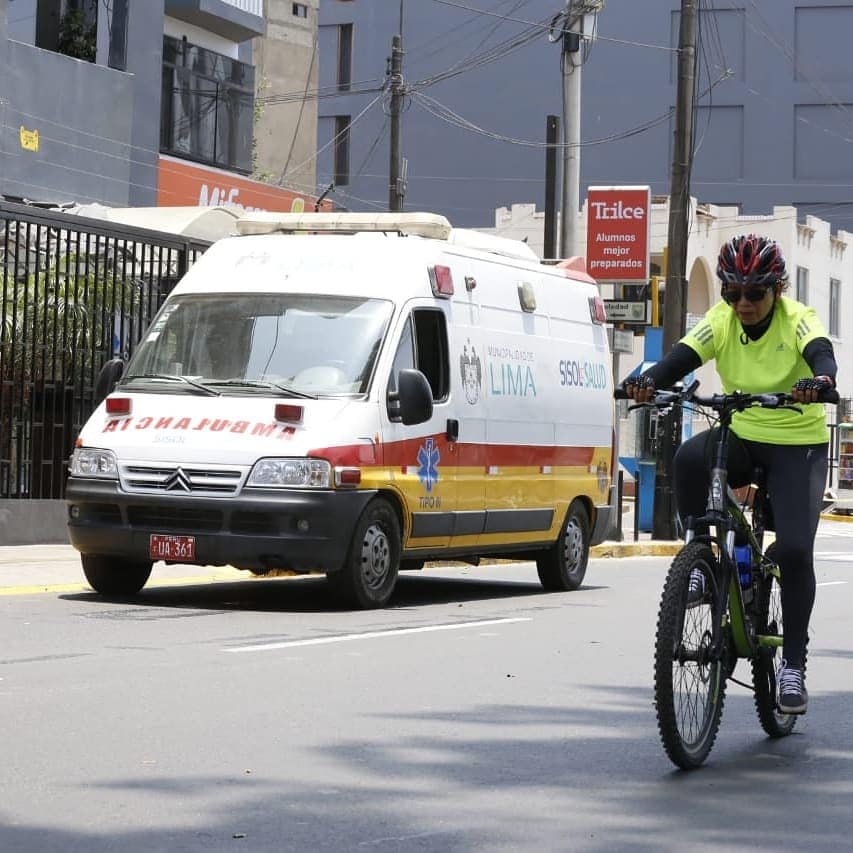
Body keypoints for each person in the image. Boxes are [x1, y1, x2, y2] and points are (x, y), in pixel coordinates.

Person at [624, 234, 838, 715]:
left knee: (797, 552)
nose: (742, 303)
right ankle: (702, 554)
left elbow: (821, 352)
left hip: (795, 443)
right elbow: (682, 357)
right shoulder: (723, 320)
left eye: (754, 293)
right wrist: (647, 381)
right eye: (731, 293)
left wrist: (821, 382)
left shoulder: (797, 318)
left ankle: (794, 666)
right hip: (742, 433)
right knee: (688, 459)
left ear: (776, 290)